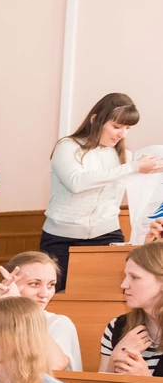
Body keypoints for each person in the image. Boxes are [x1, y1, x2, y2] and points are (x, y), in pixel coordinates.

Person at [42, 93, 163, 288]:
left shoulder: (125, 156)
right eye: (116, 126)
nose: (122, 134)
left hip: (108, 234)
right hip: (61, 238)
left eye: (127, 128)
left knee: (109, 294)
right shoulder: (68, 146)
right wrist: (133, 167)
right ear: (95, 119)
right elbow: (76, 183)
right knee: (56, 295)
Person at [99, 241, 163, 376]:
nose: (123, 285)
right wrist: (115, 358)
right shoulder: (116, 326)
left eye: (134, 277)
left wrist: (146, 380)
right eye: (125, 276)